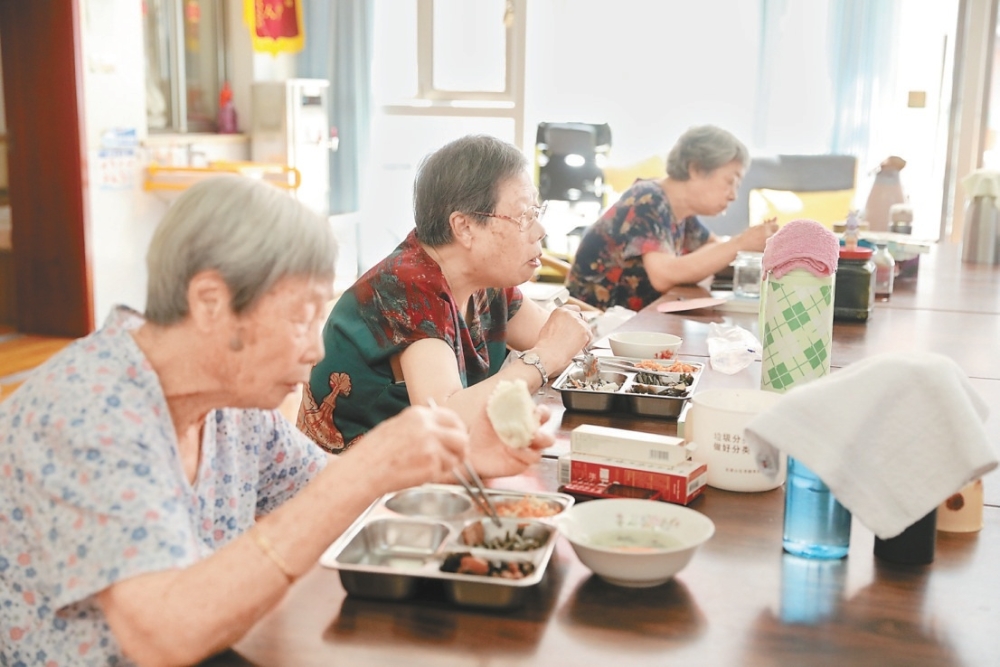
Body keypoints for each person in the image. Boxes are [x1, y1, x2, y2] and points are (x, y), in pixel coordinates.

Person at [0, 175, 528, 666]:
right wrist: (364, 467)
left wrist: (457, 452)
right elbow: (163, 633)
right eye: (301, 317)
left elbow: (334, 501)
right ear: (211, 302)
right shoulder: (92, 411)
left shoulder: (230, 401)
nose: (315, 348)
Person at [299, 134, 592, 457]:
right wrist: (543, 358)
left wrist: (560, 343)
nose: (540, 230)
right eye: (524, 216)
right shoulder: (408, 287)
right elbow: (447, 418)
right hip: (353, 490)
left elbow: (561, 338)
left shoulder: (484, 281)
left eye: (537, 212)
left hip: (428, 472)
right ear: (464, 227)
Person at [566, 125, 779, 311]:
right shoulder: (647, 199)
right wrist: (741, 243)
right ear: (695, 169)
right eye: (730, 181)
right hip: (598, 326)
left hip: (635, 322)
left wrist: (748, 246)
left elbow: (713, 250)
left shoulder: (681, 214)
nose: (733, 195)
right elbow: (664, 276)